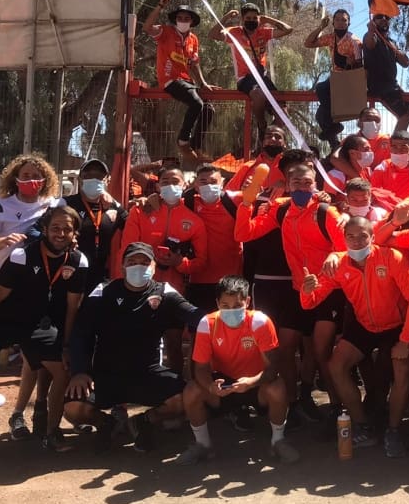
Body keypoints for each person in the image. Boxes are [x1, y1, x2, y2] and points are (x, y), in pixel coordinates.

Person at [0, 207, 89, 466]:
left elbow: (73, 308)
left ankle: (51, 433)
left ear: (74, 234)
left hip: (36, 323)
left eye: (67, 229)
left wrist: (67, 346)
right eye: (56, 228)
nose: (61, 234)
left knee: (62, 369)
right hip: (1, 320)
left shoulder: (78, 261)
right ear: (45, 230)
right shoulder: (20, 256)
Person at [301, 216, 409, 457]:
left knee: (401, 371)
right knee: (336, 365)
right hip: (365, 325)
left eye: (363, 236)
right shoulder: (337, 263)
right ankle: (363, 425)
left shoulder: (391, 258)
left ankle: (393, 430)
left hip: (398, 326)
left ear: (372, 237)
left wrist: (404, 340)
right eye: (351, 236)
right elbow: (311, 302)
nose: (357, 241)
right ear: (344, 238)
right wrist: (308, 291)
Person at [63, 242, 203, 452]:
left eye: (145, 263)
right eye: (132, 262)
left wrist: (222, 320)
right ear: (122, 267)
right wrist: (80, 371)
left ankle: (143, 422)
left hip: (148, 373)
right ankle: (107, 424)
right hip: (107, 374)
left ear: (154, 267)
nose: (139, 267)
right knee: (72, 409)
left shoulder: (164, 291)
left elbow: (194, 315)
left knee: (186, 399)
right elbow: (81, 332)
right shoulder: (104, 291)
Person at [234, 163, 347, 410]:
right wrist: (246, 204)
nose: (302, 187)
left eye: (308, 183)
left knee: (320, 351)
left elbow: (344, 246)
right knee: (284, 348)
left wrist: (335, 256)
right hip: (298, 291)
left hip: (328, 291)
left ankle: (338, 409)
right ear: (287, 184)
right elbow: (244, 233)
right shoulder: (280, 210)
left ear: (315, 184)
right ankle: (295, 403)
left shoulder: (326, 212)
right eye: (296, 183)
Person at [0, 154, 61, 440]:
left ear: (46, 180)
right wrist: (4, 241)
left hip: (34, 290)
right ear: (15, 179)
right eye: (25, 175)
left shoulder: (54, 205)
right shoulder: (2, 205)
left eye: (37, 175)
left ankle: (18, 414)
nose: (31, 181)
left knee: (33, 357)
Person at [178, 276, 300, 464]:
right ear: (217, 303)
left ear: (248, 302)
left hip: (256, 382)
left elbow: (273, 368)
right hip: (222, 385)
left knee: (278, 388)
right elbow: (200, 368)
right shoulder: (206, 324)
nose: (231, 310)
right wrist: (211, 387)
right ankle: (203, 445)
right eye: (225, 305)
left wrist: (251, 382)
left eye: (237, 305)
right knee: (192, 391)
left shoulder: (260, 321)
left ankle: (278, 440)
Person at [119, 167, 208, 373]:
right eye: (165, 181)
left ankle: (175, 391)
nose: (170, 185)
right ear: (157, 185)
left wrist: (178, 262)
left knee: (173, 343)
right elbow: (127, 249)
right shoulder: (141, 210)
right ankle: (130, 389)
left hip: (174, 289)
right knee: (135, 340)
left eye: (175, 181)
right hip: (140, 285)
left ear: (184, 185)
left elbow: (200, 262)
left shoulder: (194, 220)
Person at [142, 0, 218, 159]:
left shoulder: (193, 39)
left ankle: (196, 145)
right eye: (180, 17)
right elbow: (147, 28)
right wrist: (160, 6)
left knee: (208, 109)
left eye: (186, 18)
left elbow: (194, 63)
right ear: (175, 20)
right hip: (170, 80)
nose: (183, 20)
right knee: (196, 103)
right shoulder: (166, 32)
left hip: (187, 81)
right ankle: (183, 141)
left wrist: (203, 83)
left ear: (191, 21)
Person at [209, 3, 294, 143]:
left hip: (262, 77)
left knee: (283, 113)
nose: (252, 21)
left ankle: (267, 137)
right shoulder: (235, 32)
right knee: (258, 95)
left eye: (255, 18)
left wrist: (268, 19)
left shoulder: (263, 32)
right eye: (248, 17)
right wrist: (226, 17)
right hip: (245, 78)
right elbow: (212, 34)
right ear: (243, 19)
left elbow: (288, 30)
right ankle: (261, 123)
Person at [59, 159, 126, 291]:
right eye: (88, 176)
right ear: (80, 179)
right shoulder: (65, 203)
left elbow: (133, 223)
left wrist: (145, 202)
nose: (93, 179)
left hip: (100, 276)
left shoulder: (113, 206)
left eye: (99, 176)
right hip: (69, 271)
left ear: (107, 180)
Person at [185, 164, 243, 312]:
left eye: (213, 182)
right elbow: (162, 205)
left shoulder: (235, 201)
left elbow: (266, 199)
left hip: (231, 278)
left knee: (231, 325)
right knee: (199, 326)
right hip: (198, 278)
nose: (209, 186)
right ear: (196, 185)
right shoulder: (188, 203)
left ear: (222, 183)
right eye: (203, 182)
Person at [308, 9, 365, 149]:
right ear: (333, 22)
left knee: (321, 88)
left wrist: (351, 64)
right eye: (337, 20)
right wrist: (320, 27)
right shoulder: (330, 38)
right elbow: (308, 43)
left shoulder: (354, 41)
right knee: (320, 115)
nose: (340, 23)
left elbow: (359, 65)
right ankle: (335, 144)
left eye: (344, 20)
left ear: (348, 23)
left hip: (347, 79)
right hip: (335, 79)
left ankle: (334, 123)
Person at [362, 12, 409, 133]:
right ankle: (395, 144)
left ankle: (398, 142)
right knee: (405, 116)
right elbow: (369, 43)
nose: (384, 19)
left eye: (387, 17)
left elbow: (406, 63)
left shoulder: (391, 42)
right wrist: (371, 31)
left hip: (392, 85)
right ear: (373, 21)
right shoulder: (371, 36)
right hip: (381, 86)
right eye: (379, 17)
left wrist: (396, 50)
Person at [226, 126, 287, 197]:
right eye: (268, 137)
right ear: (263, 142)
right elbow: (228, 195)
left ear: (285, 144)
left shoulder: (291, 167)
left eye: (278, 137)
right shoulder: (247, 167)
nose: (273, 139)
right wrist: (243, 193)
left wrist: (285, 185)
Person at [370, 130, 409, 203]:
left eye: (404, 147)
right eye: (394, 147)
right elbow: (373, 192)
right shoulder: (382, 168)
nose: (399, 151)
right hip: (390, 209)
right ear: (390, 148)